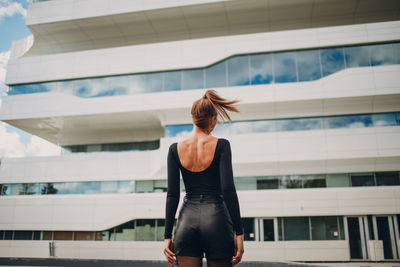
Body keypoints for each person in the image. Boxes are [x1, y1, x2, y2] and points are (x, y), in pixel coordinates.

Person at [163, 89, 244, 267]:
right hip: (217, 220)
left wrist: (167, 235)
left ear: (193, 118)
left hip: (186, 222)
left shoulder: (174, 149)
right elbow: (228, 190)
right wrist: (239, 233)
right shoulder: (222, 145)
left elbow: (172, 195)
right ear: (213, 119)